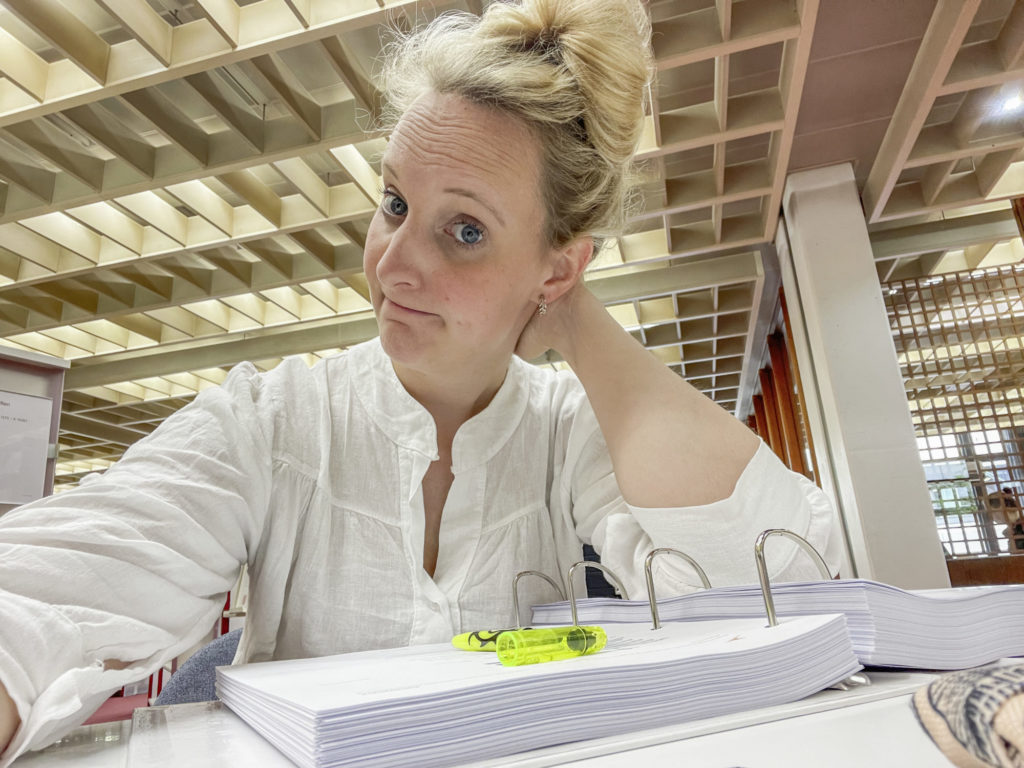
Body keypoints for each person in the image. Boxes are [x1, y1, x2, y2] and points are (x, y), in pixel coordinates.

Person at [0, 0, 842, 762]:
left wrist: (578, 319)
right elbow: (48, 591)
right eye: (395, 204)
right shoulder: (274, 421)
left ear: (559, 266)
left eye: (465, 230)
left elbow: (783, 593)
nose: (393, 265)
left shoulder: (568, 431)